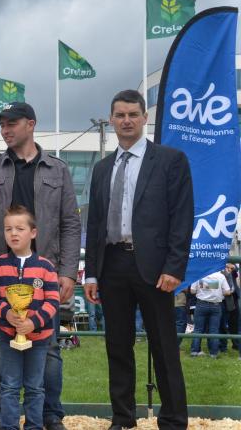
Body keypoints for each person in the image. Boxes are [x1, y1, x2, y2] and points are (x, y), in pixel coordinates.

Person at [84, 89, 193, 430]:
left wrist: (175, 267)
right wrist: (90, 275)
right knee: (117, 346)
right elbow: (96, 223)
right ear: (112, 119)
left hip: (156, 269)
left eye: (133, 114)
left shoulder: (170, 160)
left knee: (164, 346)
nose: (127, 120)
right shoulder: (102, 169)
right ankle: (123, 417)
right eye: (120, 115)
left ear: (145, 118)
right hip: (112, 265)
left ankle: (173, 419)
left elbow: (182, 216)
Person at [0, 101, 80, 430]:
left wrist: (68, 272)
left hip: (45, 279)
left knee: (50, 351)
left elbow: (70, 224)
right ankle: (1, 416)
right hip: (0, 278)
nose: (5, 129)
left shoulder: (58, 170)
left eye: (11, 123)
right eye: (2, 124)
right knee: (1, 351)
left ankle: (50, 415)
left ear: (31, 124)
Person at [0, 205, 60, 430]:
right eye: (8, 229)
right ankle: (9, 426)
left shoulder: (46, 267)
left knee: (35, 386)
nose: (13, 234)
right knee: (9, 385)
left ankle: (34, 426)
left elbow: (53, 300)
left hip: (39, 337)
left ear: (33, 233)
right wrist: (6, 312)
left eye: (19, 228)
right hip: (7, 335)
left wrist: (32, 322)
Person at [189, 270, 232, 358]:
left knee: (198, 329)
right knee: (214, 330)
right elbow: (227, 291)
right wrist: (217, 291)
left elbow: (192, 291)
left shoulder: (199, 274)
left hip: (201, 304)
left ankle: (194, 351)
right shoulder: (221, 276)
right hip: (215, 306)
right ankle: (213, 353)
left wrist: (204, 288)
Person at [218, 263, 239, 354]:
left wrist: (232, 266)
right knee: (222, 323)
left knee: (235, 323)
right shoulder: (216, 263)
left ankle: (236, 344)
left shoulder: (229, 258)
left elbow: (236, 268)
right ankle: (222, 346)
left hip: (233, 298)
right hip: (221, 298)